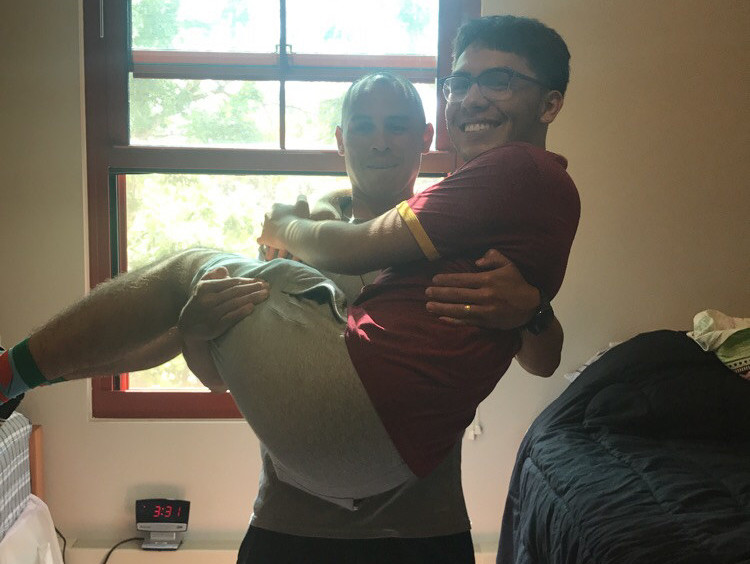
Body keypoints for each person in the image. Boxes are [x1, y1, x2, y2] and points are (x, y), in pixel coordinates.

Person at [0, 12, 577, 558]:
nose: (380, 142)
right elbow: (221, 378)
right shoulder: (296, 242)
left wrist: (530, 312)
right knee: (186, 284)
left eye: (398, 127)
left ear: (426, 136)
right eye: (364, 127)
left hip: (423, 528)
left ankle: (12, 375)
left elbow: (544, 361)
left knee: (185, 268)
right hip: (291, 529)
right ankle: (17, 380)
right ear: (340, 139)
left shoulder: (469, 222)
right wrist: (194, 330)